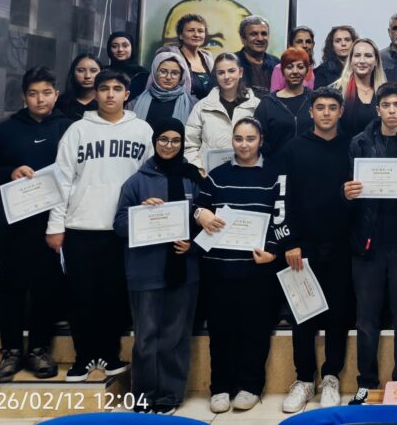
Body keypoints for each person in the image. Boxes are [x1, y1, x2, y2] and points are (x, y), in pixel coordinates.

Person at [46, 69, 153, 383]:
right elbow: (61, 180)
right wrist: (56, 225)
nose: (109, 94)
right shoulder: (78, 130)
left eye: (117, 89)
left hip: (124, 228)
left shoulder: (142, 130)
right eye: (104, 88)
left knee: (115, 296)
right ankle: (83, 358)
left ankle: (109, 354)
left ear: (126, 95)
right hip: (81, 225)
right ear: (95, 93)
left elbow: (151, 176)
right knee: (81, 296)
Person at [0, 67, 72, 382]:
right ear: (23, 97)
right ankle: (11, 351)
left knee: (47, 286)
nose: (40, 99)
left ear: (56, 94)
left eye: (46, 93)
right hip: (10, 223)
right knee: (10, 286)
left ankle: (40, 349)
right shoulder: (6, 131)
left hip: (52, 224)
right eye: (33, 93)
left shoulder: (70, 129)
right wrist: (10, 172)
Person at [344, 83, 397, 405]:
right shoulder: (359, 142)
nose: (392, 110)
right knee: (366, 319)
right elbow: (347, 191)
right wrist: (346, 193)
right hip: (368, 244)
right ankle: (365, 382)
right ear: (377, 109)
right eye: (386, 105)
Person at [195, 118, 283, 414]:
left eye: (250, 138)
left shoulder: (274, 176)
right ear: (232, 140)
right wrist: (200, 215)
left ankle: (250, 386)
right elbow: (199, 207)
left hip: (257, 269)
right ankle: (220, 387)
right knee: (221, 331)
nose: (244, 145)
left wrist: (272, 251)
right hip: (218, 268)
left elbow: (283, 218)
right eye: (239, 138)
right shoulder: (217, 176)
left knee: (255, 331)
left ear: (261, 140)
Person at [113, 118, 201, 414]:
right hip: (145, 272)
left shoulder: (193, 178)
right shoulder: (137, 181)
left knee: (175, 337)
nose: (169, 145)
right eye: (163, 139)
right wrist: (140, 213)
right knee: (146, 338)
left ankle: (169, 396)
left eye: (175, 140)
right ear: (154, 142)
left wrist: (192, 244)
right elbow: (119, 225)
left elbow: (206, 221)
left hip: (184, 271)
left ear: (182, 143)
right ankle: (144, 395)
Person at [278, 88, 353, 412]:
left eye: (332, 107)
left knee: (338, 314)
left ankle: (331, 377)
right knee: (303, 315)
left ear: (340, 112)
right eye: (320, 107)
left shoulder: (352, 147)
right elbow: (283, 198)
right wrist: (290, 241)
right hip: (303, 247)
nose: (325, 113)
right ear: (311, 112)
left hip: (341, 245)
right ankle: (304, 379)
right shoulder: (293, 148)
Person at [184, 52, 261, 173]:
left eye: (231, 71)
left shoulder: (256, 105)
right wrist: (198, 169)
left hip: (248, 174)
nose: (226, 76)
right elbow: (189, 145)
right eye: (221, 72)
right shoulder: (202, 107)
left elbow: (264, 143)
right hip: (209, 176)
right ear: (215, 75)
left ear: (240, 72)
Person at [255, 47, 314, 165]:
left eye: (300, 67)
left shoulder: (315, 100)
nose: (295, 71)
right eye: (289, 67)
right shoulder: (267, 104)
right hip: (276, 169)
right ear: (282, 71)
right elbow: (258, 140)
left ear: (307, 71)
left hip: (311, 168)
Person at [129, 50, 197, 130]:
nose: (168, 77)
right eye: (163, 72)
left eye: (175, 73)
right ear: (155, 73)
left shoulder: (192, 105)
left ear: (181, 76)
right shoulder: (135, 103)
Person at [336, 38, 388, 138]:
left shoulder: (386, 93)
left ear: (376, 61)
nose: (362, 61)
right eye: (357, 55)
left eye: (368, 56)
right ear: (351, 60)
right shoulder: (336, 90)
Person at [168, 13, 214, 99]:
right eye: (191, 30)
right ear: (180, 35)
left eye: (200, 31)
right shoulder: (171, 59)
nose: (196, 35)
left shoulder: (209, 60)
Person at [234, 15, 279, 98]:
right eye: (253, 34)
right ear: (243, 39)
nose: (260, 38)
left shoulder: (277, 64)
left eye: (264, 34)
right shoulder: (230, 63)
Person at [270, 26, 318, 93]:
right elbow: (274, 96)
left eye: (308, 42)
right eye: (299, 42)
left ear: (313, 45)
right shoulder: (280, 69)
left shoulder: (314, 70)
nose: (304, 45)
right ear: (290, 45)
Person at [55, 53, 101, 120]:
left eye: (93, 71)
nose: (87, 76)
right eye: (81, 70)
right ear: (73, 73)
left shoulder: (107, 102)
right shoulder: (60, 103)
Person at [106, 31, 148, 95]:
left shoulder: (142, 74)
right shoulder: (103, 72)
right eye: (114, 46)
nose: (120, 49)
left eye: (125, 46)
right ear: (109, 49)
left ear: (132, 48)